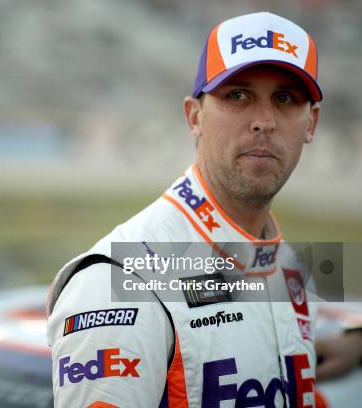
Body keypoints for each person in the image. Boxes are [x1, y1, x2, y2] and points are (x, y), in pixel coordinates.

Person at [47, 12, 332, 407]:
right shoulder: (121, 281)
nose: (264, 121)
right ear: (194, 116)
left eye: (285, 99)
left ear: (311, 124)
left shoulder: (291, 269)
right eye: (237, 95)